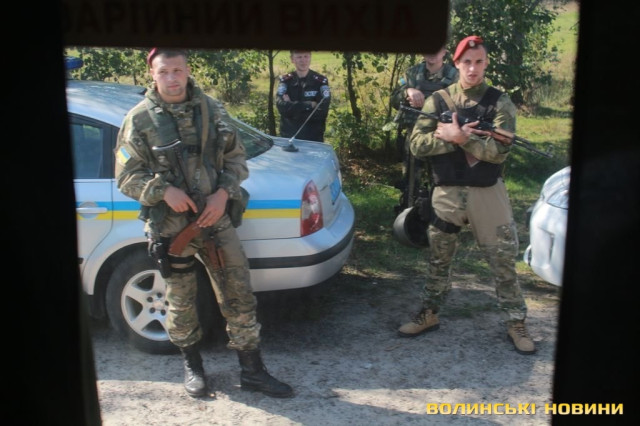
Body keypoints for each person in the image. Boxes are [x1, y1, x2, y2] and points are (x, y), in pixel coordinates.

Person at [115, 48, 294, 398]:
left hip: (215, 218)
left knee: (238, 293)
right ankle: (193, 366)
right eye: (164, 71)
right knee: (180, 300)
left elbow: (236, 160)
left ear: (187, 70)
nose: (172, 78)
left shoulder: (212, 110)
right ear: (152, 74)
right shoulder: (139, 119)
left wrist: (223, 194)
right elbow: (126, 177)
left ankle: (253, 371)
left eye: (177, 70)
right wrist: (163, 191)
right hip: (171, 227)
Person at [397, 36, 536, 355]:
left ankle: (516, 322)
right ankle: (429, 313)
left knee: (502, 259)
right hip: (447, 191)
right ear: (457, 64)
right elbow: (416, 145)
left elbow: (500, 151)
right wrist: (448, 139)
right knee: (438, 258)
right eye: (467, 62)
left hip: (487, 193)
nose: (473, 68)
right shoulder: (438, 101)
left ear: (486, 64)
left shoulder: (500, 102)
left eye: (479, 62)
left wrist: (462, 138)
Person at [389, 46, 459, 215]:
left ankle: (440, 217)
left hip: (442, 139)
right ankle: (409, 214)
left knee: (441, 181)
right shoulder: (412, 74)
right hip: (415, 137)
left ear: (444, 51)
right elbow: (393, 99)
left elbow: (465, 104)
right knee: (411, 181)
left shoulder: (455, 76)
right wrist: (407, 92)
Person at [276, 50, 331, 142]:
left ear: (310, 57)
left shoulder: (320, 82)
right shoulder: (286, 81)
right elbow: (281, 107)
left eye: (306, 56)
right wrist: (310, 105)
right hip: (288, 136)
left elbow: (322, 112)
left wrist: (291, 105)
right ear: (292, 59)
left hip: (313, 137)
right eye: (299, 57)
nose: (303, 60)